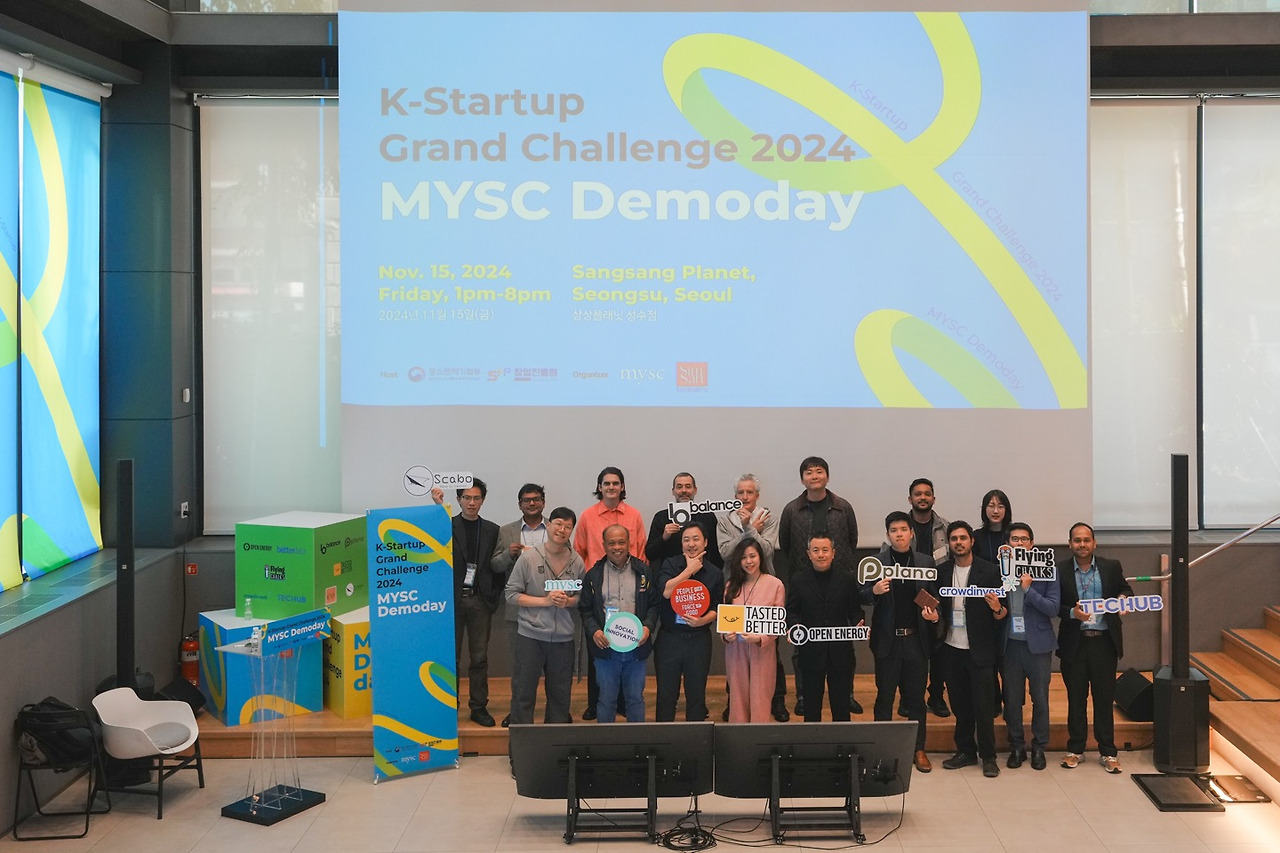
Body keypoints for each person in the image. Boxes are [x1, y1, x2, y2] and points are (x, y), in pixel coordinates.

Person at [779, 456, 860, 717]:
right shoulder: (791, 510)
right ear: (802, 478)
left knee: (842, 650)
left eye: (819, 471)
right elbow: (786, 544)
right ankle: (804, 696)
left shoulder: (843, 507)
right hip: (805, 584)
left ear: (827, 476)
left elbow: (852, 540)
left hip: (839, 582)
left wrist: (838, 565)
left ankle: (846, 695)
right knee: (803, 648)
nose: (814, 476)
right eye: (809, 473)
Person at [864, 511, 938, 773]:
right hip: (888, 642)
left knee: (916, 699)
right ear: (887, 535)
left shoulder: (925, 562)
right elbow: (860, 595)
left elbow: (934, 597)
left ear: (911, 533)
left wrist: (934, 614)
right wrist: (873, 591)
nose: (899, 534)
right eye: (894, 530)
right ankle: (881, 750)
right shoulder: (876, 562)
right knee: (884, 698)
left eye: (903, 530)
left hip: (916, 640)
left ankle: (919, 749)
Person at [1057, 522, 1134, 773]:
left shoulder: (1111, 566)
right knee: (1076, 698)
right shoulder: (1060, 570)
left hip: (1104, 642)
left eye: (1086, 540)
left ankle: (1108, 752)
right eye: (1077, 540)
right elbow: (1054, 605)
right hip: (1075, 643)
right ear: (1070, 544)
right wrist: (1072, 612)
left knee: (1103, 699)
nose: (1082, 544)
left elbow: (1126, 589)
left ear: (1094, 543)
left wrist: (1123, 599)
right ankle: (1075, 749)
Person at [575, 467, 647, 719]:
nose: (611, 487)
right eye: (606, 483)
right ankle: (595, 704)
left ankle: (623, 705)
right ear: (599, 487)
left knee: (629, 651)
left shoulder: (634, 515)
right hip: (599, 589)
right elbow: (579, 550)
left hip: (629, 583)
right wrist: (590, 581)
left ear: (622, 486)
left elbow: (640, 549)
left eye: (616, 483)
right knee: (600, 650)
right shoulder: (587, 516)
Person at [936, 521, 1006, 778]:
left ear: (972, 541)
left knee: (984, 707)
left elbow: (1003, 614)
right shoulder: (941, 572)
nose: (958, 542)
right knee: (960, 705)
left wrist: (997, 607)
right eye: (954, 538)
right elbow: (936, 606)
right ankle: (965, 751)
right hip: (951, 649)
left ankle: (988, 757)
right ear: (949, 543)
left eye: (963, 538)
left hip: (980, 651)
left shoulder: (990, 571)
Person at [717, 473, 789, 722]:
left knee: (765, 676)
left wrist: (750, 528)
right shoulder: (725, 520)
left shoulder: (768, 518)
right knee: (737, 683)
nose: (745, 497)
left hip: (763, 596)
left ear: (757, 495)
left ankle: (773, 706)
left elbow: (765, 549)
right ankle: (736, 714)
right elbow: (726, 552)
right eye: (740, 492)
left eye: (749, 492)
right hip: (736, 587)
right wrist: (749, 531)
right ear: (734, 496)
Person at [504, 507, 584, 726]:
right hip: (530, 636)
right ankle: (521, 746)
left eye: (568, 527)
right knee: (523, 693)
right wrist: (544, 602)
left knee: (560, 697)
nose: (562, 530)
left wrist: (568, 602)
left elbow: (581, 597)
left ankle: (555, 745)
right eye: (558, 524)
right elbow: (511, 594)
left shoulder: (577, 562)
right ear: (548, 525)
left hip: (563, 639)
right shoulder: (529, 558)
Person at [432, 479, 502, 727]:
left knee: (479, 658)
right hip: (452, 601)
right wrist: (439, 506)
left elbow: (497, 566)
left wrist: (491, 595)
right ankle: (449, 706)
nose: (472, 503)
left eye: (476, 498)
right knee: (450, 658)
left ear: (483, 500)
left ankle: (479, 707)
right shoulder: (447, 525)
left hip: (479, 600)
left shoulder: (492, 530)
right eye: (467, 498)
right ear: (459, 500)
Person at [579, 525, 659, 723]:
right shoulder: (593, 575)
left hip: (636, 647)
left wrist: (647, 627)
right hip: (606, 649)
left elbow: (654, 604)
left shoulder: (644, 571)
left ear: (629, 543)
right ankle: (606, 741)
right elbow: (585, 610)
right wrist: (594, 631)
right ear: (604, 545)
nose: (617, 547)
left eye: (621, 542)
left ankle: (635, 740)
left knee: (635, 699)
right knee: (606, 699)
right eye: (612, 543)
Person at [1000, 522, 1061, 771]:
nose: (1019, 543)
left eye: (1024, 539)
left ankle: (1039, 747)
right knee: (1012, 701)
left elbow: (1053, 608)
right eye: (1014, 539)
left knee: (1040, 700)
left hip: (1038, 646)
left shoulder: (1047, 570)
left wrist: (1028, 590)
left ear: (1032, 544)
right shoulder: (1000, 570)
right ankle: (1016, 746)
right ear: (1007, 544)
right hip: (1010, 646)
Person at [786, 534, 864, 722]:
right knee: (811, 707)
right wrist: (794, 626)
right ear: (809, 554)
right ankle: (813, 741)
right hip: (811, 652)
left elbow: (855, 610)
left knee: (841, 706)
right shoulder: (798, 580)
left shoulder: (846, 579)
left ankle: (841, 741)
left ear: (833, 553)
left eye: (825, 550)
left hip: (840, 653)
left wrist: (858, 623)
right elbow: (791, 611)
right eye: (816, 550)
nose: (821, 554)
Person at [492, 483, 550, 727]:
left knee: (554, 667)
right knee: (521, 667)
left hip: (551, 607)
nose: (532, 503)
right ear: (519, 504)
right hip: (519, 608)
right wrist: (508, 555)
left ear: (543, 502)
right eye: (527, 500)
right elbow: (495, 565)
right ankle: (517, 712)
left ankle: (556, 712)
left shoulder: (555, 528)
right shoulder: (506, 532)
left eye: (536, 499)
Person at [655, 522, 723, 721]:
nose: (691, 544)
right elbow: (666, 592)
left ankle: (696, 738)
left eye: (696, 539)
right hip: (670, 638)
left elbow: (717, 607)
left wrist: (703, 621)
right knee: (666, 695)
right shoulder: (670, 564)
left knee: (696, 696)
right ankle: (663, 736)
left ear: (705, 542)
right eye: (686, 540)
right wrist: (688, 571)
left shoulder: (714, 572)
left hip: (698, 639)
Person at [722, 538, 785, 722]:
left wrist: (759, 638)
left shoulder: (775, 585)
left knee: (761, 697)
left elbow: (778, 623)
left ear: (760, 558)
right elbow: (725, 621)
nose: (748, 561)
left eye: (752, 556)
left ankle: (758, 735)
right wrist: (726, 635)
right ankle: (738, 735)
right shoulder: (730, 585)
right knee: (737, 697)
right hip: (735, 651)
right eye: (743, 557)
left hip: (762, 651)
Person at [907, 477, 951, 718]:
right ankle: (909, 698)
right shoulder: (901, 526)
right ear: (910, 499)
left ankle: (936, 696)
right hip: (909, 595)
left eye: (927, 494)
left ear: (933, 498)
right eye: (918, 494)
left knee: (939, 649)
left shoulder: (945, 527)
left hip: (939, 594)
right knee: (911, 651)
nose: (922, 497)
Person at [973, 488, 1013, 717]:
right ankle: (994, 701)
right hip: (984, 602)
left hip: (1011, 602)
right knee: (989, 657)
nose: (995, 510)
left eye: (1000, 506)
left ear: (1006, 509)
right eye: (991, 506)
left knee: (1008, 659)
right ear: (984, 509)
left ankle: (1012, 703)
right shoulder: (976, 537)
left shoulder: (1013, 535)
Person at [647, 472, 722, 570]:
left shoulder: (708, 516)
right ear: (673, 491)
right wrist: (664, 538)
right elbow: (650, 554)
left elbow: (715, 552)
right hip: (671, 573)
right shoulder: (661, 517)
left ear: (695, 490)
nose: (684, 490)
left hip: (703, 572)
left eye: (688, 486)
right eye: (679, 487)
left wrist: (715, 574)